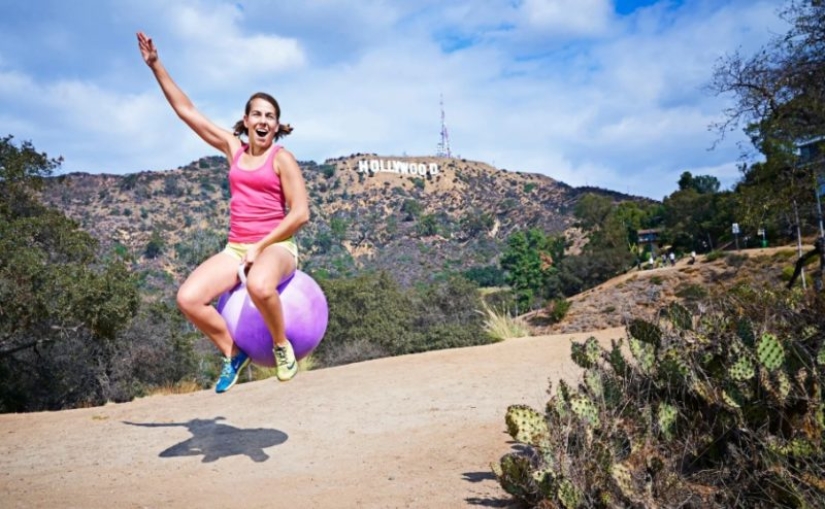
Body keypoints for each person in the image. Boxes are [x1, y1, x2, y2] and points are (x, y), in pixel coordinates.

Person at [137, 32, 310, 392]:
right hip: (235, 248)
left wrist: (261, 246)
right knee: (188, 299)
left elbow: (300, 214)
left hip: (278, 247)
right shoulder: (233, 149)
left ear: (277, 126)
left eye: (271, 116)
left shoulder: (283, 159)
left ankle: (282, 347)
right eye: (257, 114)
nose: (263, 121)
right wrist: (156, 66)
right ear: (246, 121)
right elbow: (187, 112)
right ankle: (233, 352)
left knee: (261, 285)